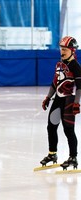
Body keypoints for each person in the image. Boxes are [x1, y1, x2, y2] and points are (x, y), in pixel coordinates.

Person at [40, 36, 81, 170]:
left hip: (69, 100)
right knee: (51, 126)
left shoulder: (75, 66)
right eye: (61, 49)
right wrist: (48, 97)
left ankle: (73, 157)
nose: (62, 52)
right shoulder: (59, 64)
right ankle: (52, 154)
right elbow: (54, 83)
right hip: (57, 99)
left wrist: (76, 103)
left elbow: (80, 87)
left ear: (72, 51)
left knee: (68, 129)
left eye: (65, 49)